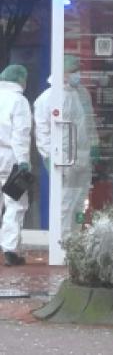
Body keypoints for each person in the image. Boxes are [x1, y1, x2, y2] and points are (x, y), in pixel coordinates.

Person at [35, 55, 99, 241]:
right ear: (62, 73)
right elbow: (43, 133)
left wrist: (95, 145)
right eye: (73, 71)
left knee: (80, 201)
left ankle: (76, 237)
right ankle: (61, 241)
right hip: (63, 158)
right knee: (64, 202)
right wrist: (47, 156)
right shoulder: (46, 99)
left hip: (83, 157)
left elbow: (89, 122)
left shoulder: (83, 94)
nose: (77, 75)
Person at [0, 64, 32, 266]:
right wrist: (23, 161)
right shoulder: (19, 101)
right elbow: (20, 134)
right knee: (15, 203)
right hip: (11, 158)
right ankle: (10, 249)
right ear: (21, 80)